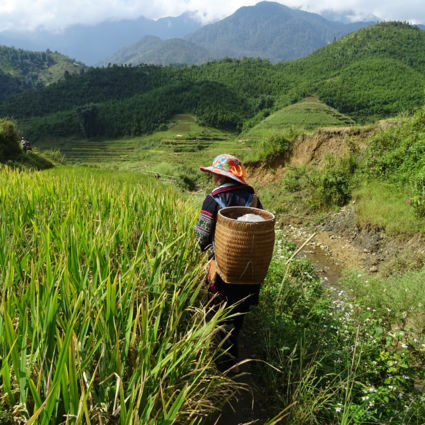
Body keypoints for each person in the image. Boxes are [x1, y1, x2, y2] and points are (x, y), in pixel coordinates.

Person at [194, 153, 263, 372]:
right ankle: (230, 360)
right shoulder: (253, 198)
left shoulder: (213, 198)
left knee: (218, 315)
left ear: (218, 175)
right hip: (250, 270)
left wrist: (207, 251)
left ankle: (222, 365)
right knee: (237, 317)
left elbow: (201, 236)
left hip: (223, 271)